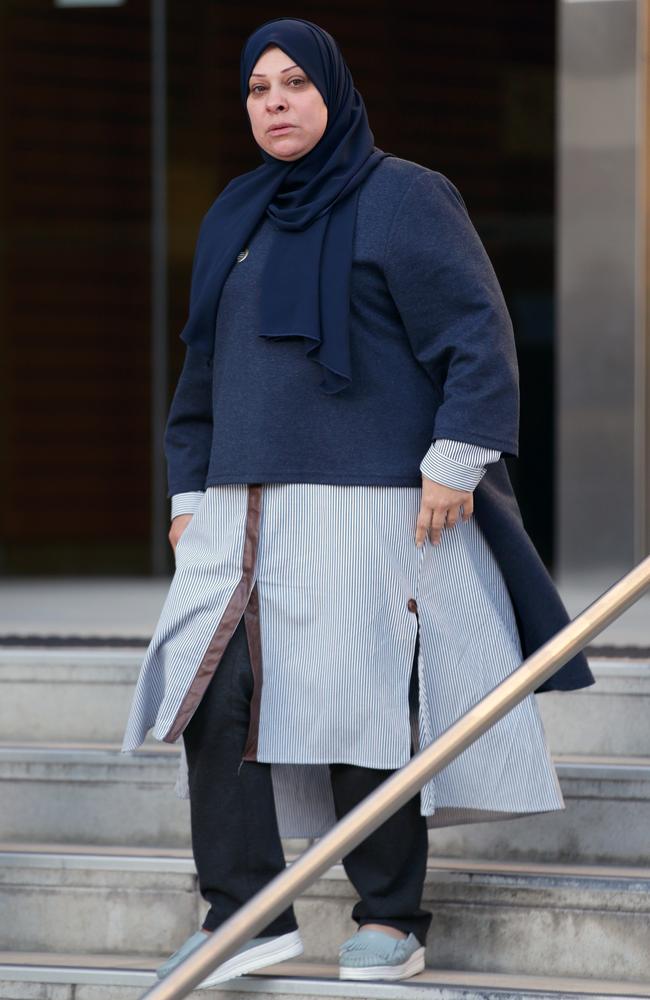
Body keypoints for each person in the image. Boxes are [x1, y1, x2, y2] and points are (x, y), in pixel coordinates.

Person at [121, 16, 595, 989]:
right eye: (258, 88)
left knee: (358, 703)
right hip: (242, 507)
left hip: (371, 508)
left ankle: (390, 913)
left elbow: (474, 334)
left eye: (294, 82)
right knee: (210, 697)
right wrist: (185, 486)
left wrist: (450, 463)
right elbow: (202, 369)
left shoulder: (404, 198)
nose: (276, 102)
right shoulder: (235, 216)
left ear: (332, 91)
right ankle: (243, 912)